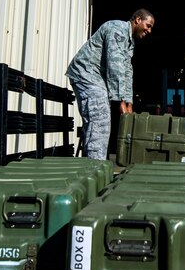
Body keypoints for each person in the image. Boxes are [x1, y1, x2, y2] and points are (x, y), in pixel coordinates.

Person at [66, 9, 154, 159]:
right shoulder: (117, 29)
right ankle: (95, 167)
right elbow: (115, 66)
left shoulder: (129, 42)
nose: (149, 30)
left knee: (100, 119)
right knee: (100, 119)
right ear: (138, 20)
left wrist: (129, 101)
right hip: (86, 73)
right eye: (148, 25)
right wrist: (120, 101)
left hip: (96, 78)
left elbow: (126, 71)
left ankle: (94, 163)